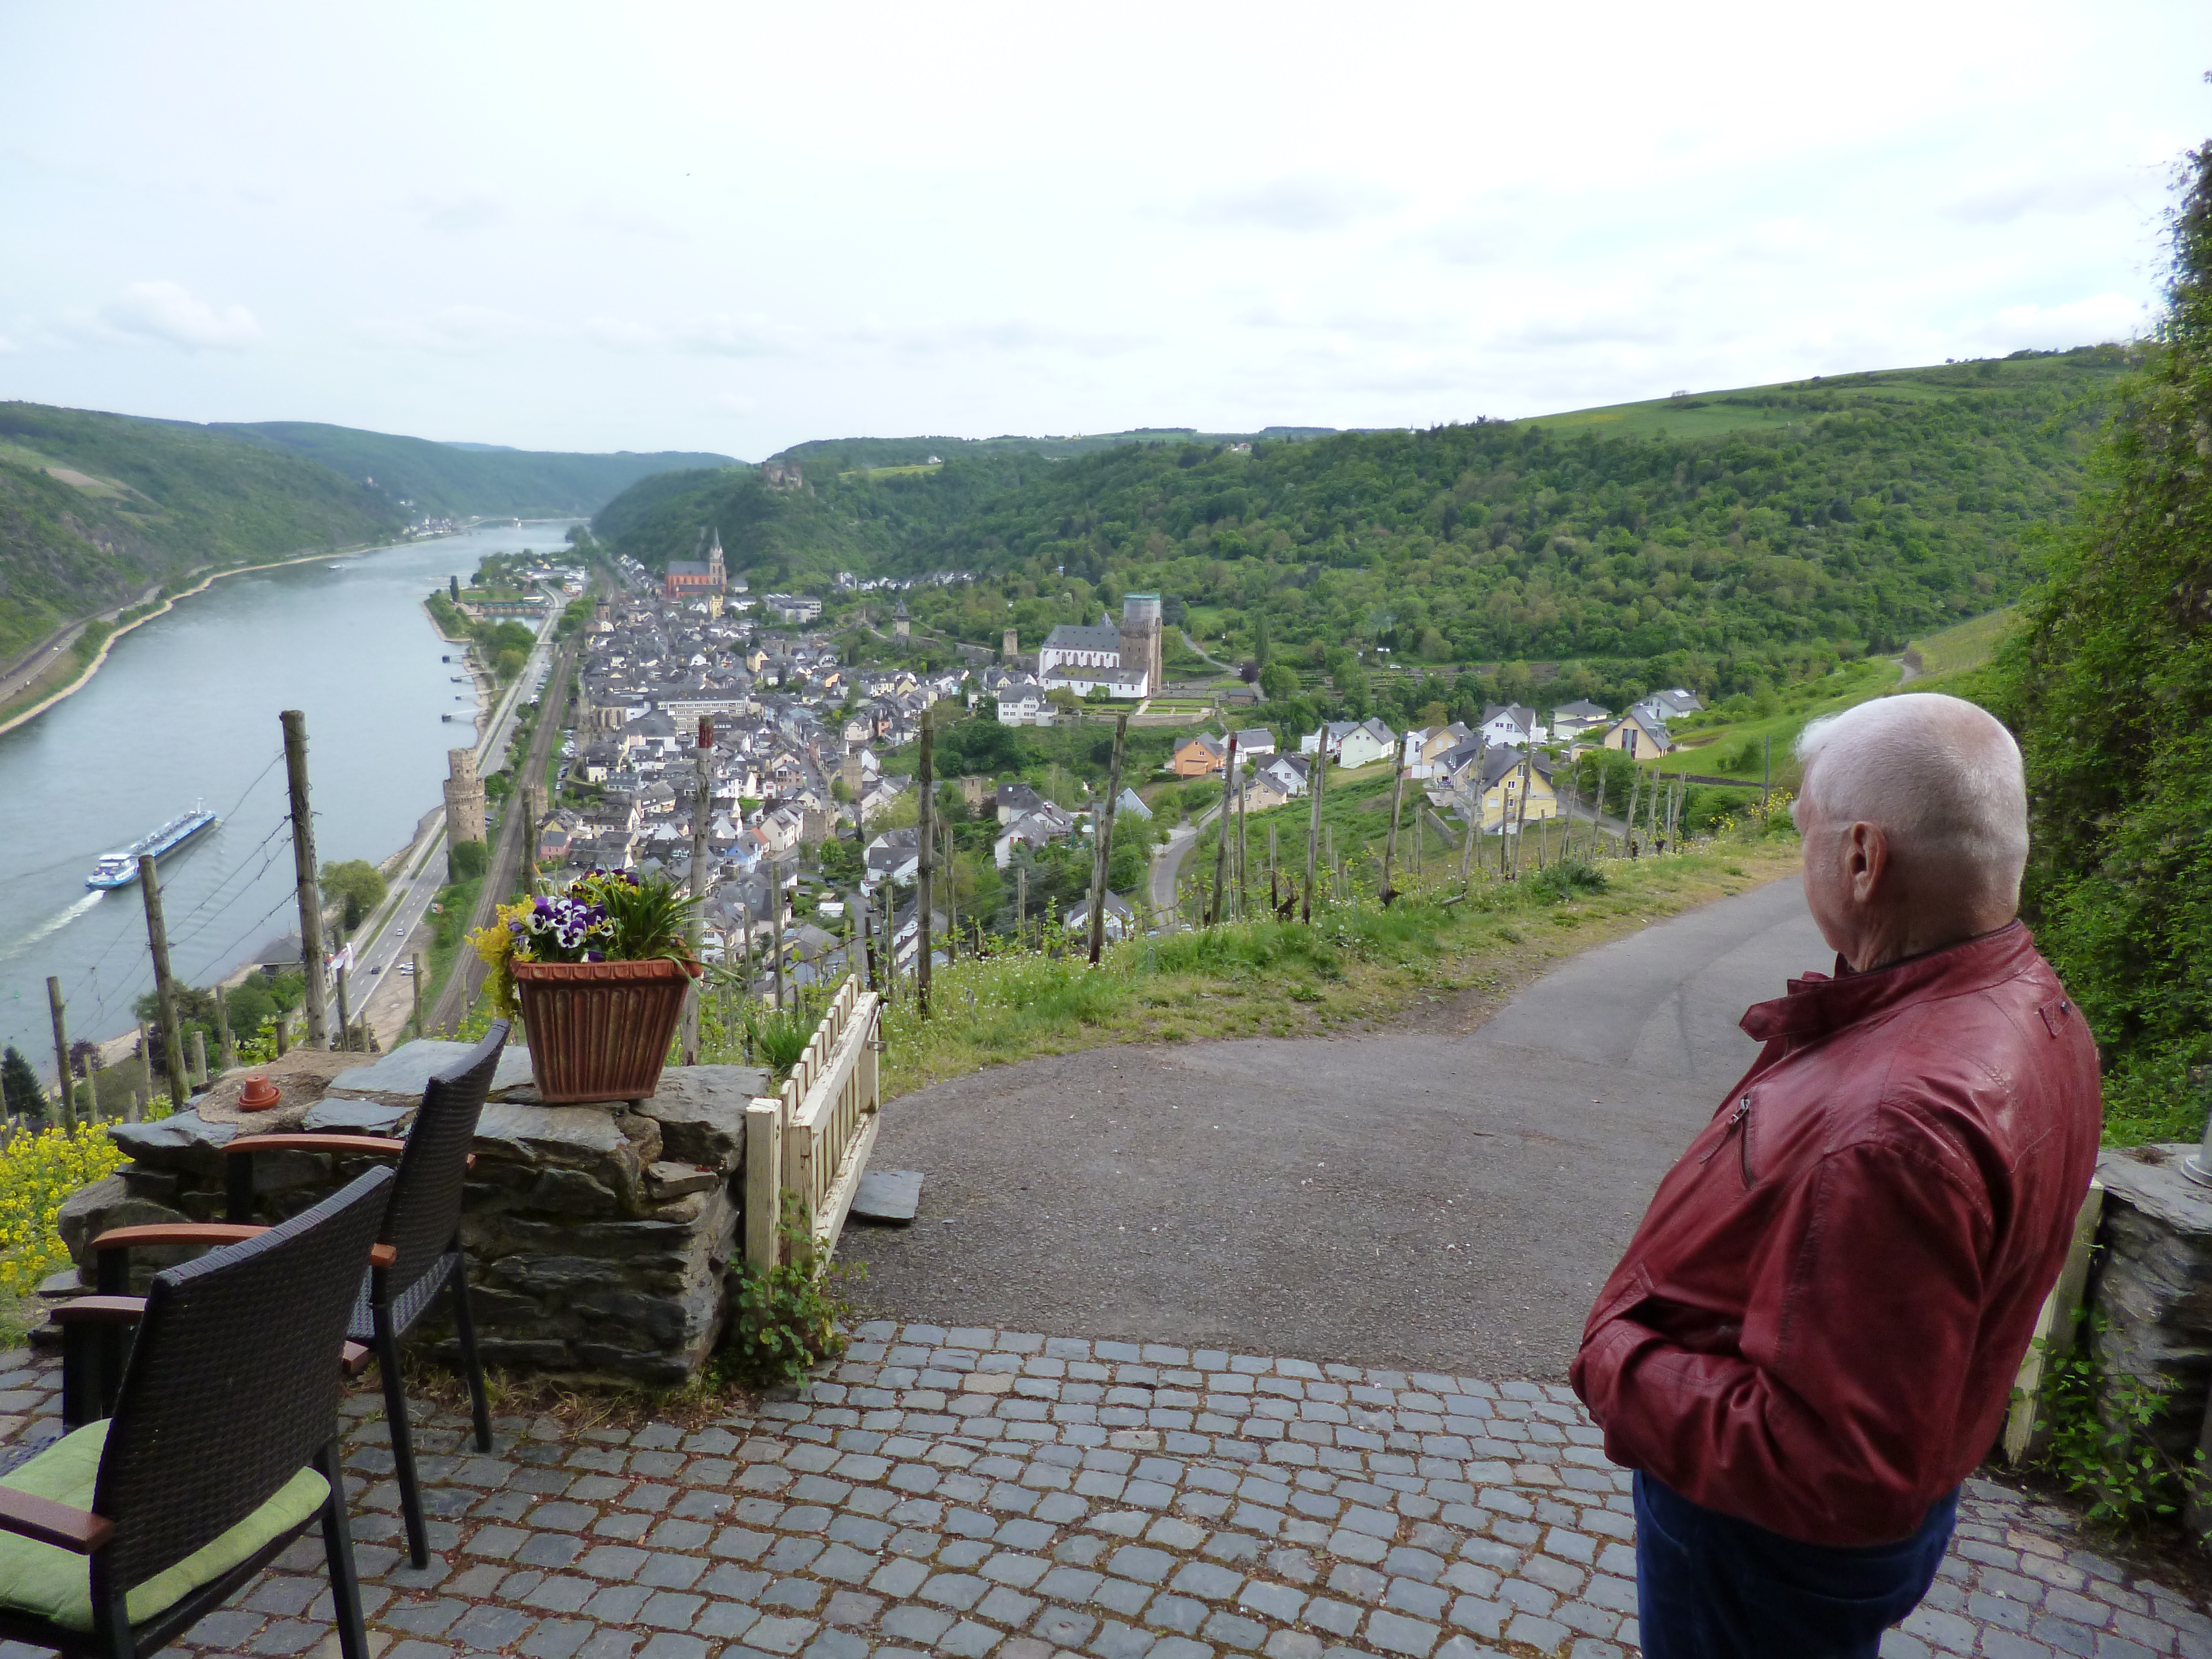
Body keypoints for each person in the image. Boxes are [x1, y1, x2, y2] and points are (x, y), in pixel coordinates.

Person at [1570, 693, 2101, 1658]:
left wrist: (1620, 1361)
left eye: (1804, 833)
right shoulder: (2038, 1011)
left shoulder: (1894, 1129)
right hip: (1874, 1521)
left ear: (1863, 857)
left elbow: (1833, 1465)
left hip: (1758, 1543)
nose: (1798, 857)